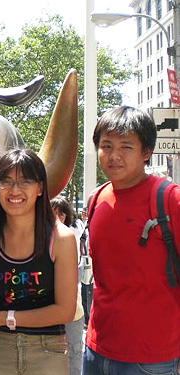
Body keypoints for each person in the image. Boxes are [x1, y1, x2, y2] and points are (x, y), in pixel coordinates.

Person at [83, 105, 180, 375]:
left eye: (126, 147)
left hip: (154, 358)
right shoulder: (96, 200)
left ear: (146, 152)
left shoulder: (170, 199)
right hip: (95, 351)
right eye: (106, 146)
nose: (114, 156)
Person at [0, 148, 78, 375]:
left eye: (24, 181)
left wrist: (5, 318)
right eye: (5, 182)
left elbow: (65, 311)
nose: (14, 190)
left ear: (40, 188)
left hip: (47, 352)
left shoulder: (61, 239)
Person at [51, 195, 85, 375]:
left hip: (73, 311)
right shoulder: (41, 239)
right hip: (50, 311)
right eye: (53, 214)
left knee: (74, 351)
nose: (57, 218)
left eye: (61, 214)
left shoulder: (71, 235)